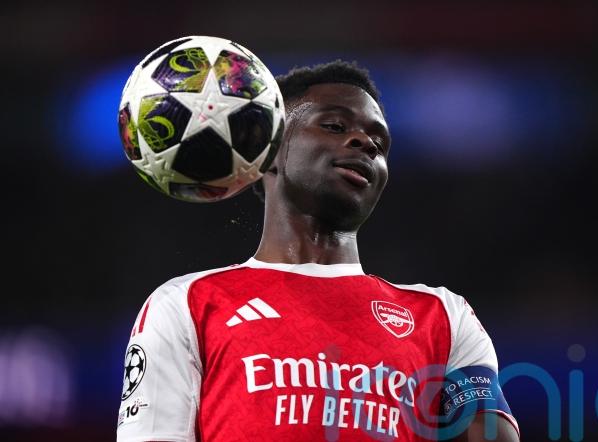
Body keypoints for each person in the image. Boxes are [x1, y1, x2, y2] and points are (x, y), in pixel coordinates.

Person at [116, 60, 520, 442]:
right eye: (334, 125)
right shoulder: (188, 304)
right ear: (269, 154)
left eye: (379, 143)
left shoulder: (443, 318)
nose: (365, 142)